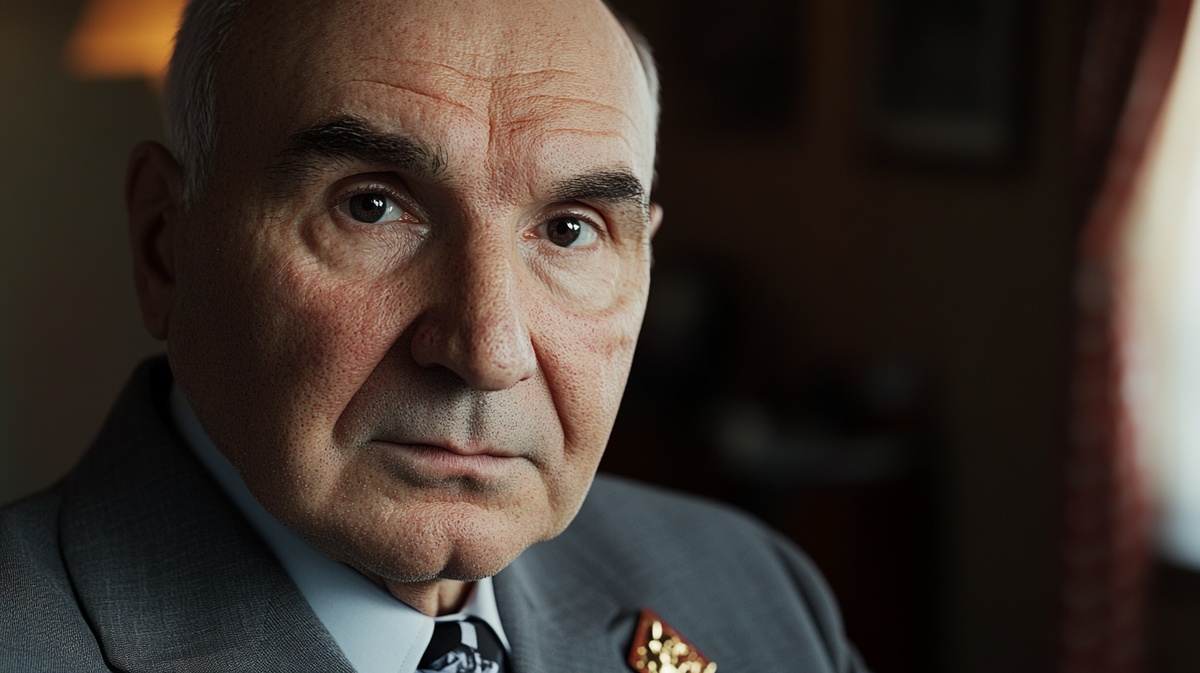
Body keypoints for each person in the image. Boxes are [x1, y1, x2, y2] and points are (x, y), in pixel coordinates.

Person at [0, 0, 869, 671]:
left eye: (569, 229)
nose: (488, 352)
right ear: (165, 244)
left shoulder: (755, 590)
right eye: (371, 206)